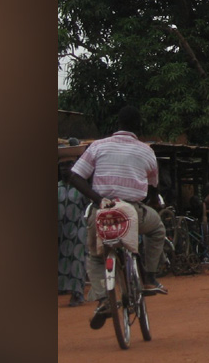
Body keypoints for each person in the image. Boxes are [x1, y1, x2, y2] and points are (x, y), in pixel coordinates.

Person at [68, 105, 168, 330]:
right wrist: (152, 200)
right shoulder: (146, 151)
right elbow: (153, 186)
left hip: (102, 211)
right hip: (133, 211)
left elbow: (75, 176)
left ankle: (104, 299)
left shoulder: (98, 146)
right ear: (138, 127)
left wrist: (97, 200)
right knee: (157, 229)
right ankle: (150, 278)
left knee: (95, 255)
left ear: (117, 125)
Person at [58, 158, 89, 307]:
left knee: (77, 260)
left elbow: (87, 206)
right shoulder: (57, 188)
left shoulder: (81, 188)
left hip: (77, 228)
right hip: (60, 230)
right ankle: (64, 288)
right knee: (62, 260)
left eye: (68, 166)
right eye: (61, 166)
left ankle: (77, 294)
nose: (64, 169)